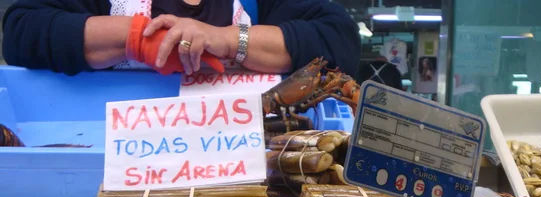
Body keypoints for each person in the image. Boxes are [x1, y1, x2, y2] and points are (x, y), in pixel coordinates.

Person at [2, 0, 360, 77]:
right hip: (113, 170)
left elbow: (337, 40)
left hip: (238, 174)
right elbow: (22, 31)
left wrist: (225, 38)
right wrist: (139, 40)